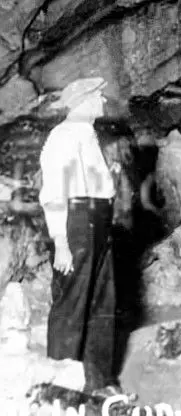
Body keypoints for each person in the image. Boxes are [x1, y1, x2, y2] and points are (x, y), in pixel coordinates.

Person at [38, 77, 129, 398]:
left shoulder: (88, 134)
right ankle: (61, 388)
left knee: (102, 300)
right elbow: (53, 193)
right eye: (97, 97)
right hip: (75, 223)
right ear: (81, 102)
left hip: (97, 220)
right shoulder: (62, 137)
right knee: (73, 302)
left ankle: (97, 381)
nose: (103, 101)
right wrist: (60, 241)